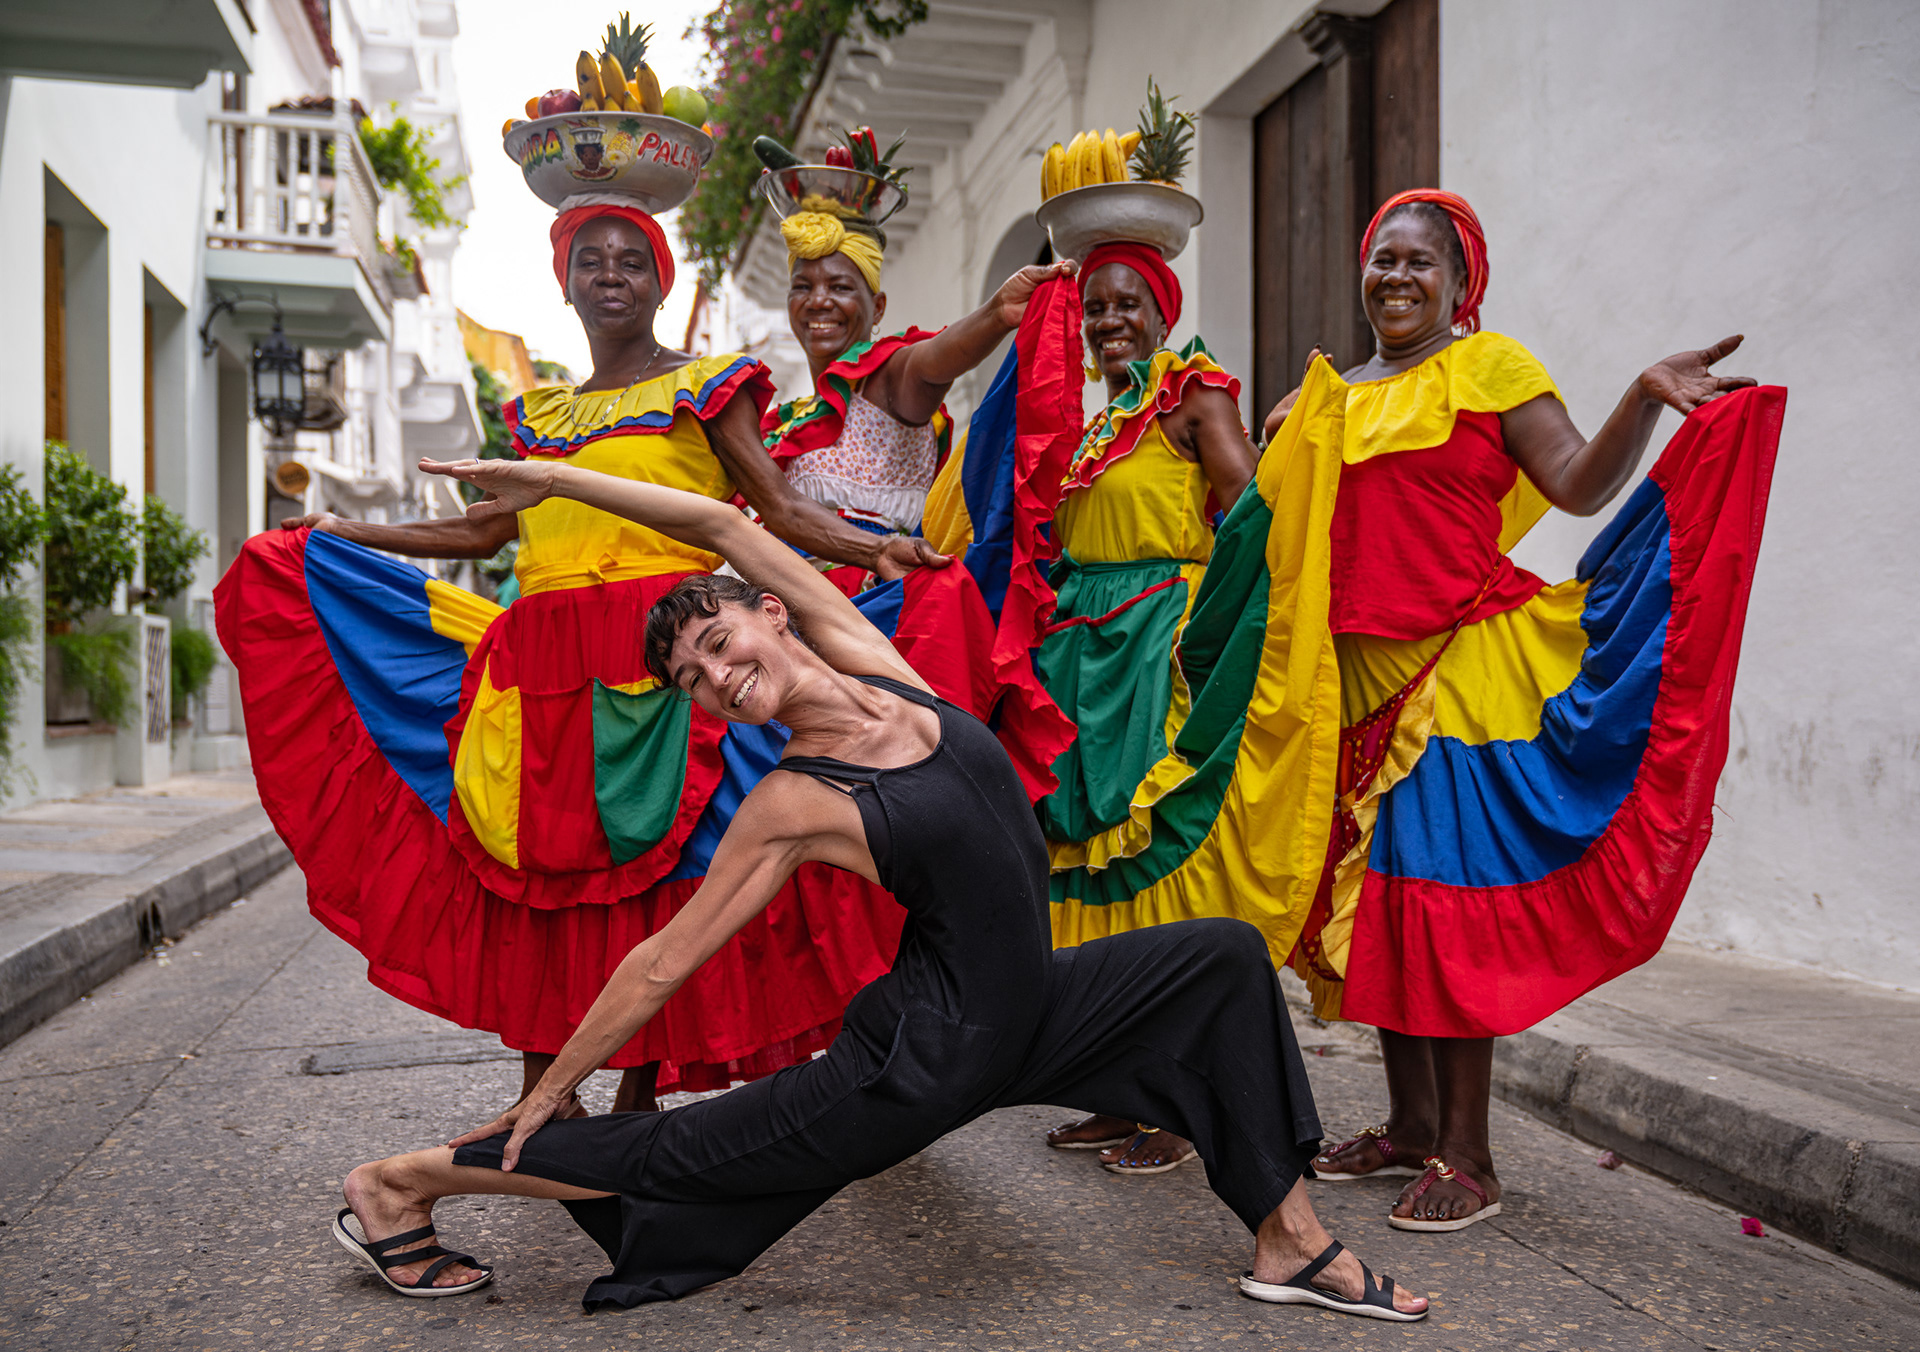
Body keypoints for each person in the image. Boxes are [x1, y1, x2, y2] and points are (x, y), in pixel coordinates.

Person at [329, 454, 1428, 1324]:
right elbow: (664, 959)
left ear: (770, 610)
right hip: (922, 1061)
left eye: (717, 641)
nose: (716, 676)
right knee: (679, 1154)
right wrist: (552, 1085)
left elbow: (719, 524)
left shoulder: (874, 663)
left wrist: (557, 479)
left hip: (1035, 1005)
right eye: (692, 682)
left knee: (1224, 958)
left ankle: (1289, 1236)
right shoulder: (794, 800)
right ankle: (400, 1181)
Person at [216, 203, 943, 1116]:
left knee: (663, 868)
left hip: (666, 660)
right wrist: (341, 530)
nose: (611, 274)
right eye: (591, 260)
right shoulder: (539, 415)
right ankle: (544, 1093)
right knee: (543, 874)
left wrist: (873, 551)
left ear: (659, 281)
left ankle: (637, 1097)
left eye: (633, 260)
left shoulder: (712, 387)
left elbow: (776, 511)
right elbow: (483, 527)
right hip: (537, 673)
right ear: (564, 284)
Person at [1262, 189, 1780, 1230]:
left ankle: (1471, 1156)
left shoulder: (1489, 368)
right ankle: (1410, 1126)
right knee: (1382, 914)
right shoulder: (1326, 392)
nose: (1397, 277)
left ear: (1460, 284)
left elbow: (1580, 485)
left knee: (1443, 907)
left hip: (1458, 673)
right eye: (1383, 259)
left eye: (1421, 262)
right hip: (1350, 690)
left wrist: (1639, 394)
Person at [1030, 243, 1260, 1175]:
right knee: (1094, 862)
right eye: (1095, 309)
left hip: (1156, 645)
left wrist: (1210, 631)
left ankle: (1181, 1100)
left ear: (1163, 311)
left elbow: (1250, 511)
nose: (1109, 320)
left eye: (1129, 304)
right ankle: (1119, 1087)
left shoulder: (1194, 394)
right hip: (1085, 651)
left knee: (1156, 856)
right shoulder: (1096, 426)